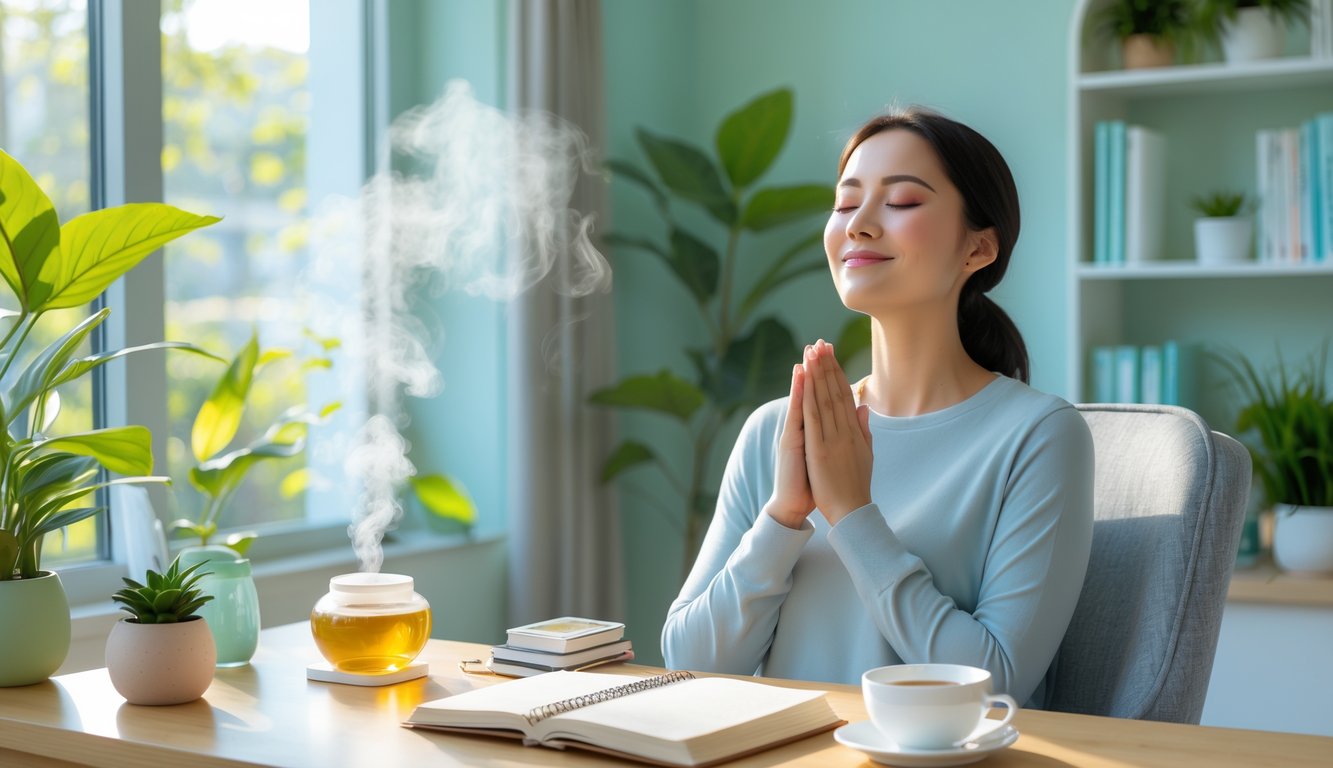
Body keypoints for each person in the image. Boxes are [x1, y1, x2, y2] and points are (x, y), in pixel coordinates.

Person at [660, 107, 1094, 708]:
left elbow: (997, 684)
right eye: (845, 204)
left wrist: (850, 511)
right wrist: (786, 516)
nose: (858, 225)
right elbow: (689, 665)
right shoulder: (776, 432)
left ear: (979, 248)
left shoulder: (1039, 436)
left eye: (903, 202)